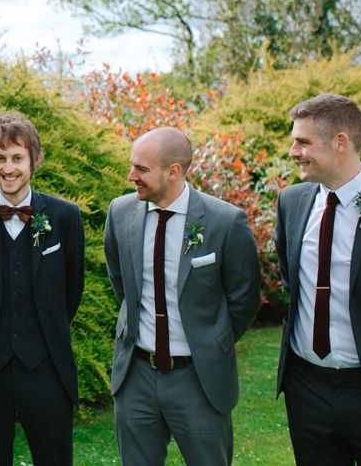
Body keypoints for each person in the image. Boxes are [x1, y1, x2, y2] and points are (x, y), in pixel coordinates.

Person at [104, 127, 261, 466]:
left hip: (199, 380)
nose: (132, 176)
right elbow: (121, 283)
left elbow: (244, 300)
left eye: (141, 169)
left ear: (173, 171)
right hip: (136, 377)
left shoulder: (225, 222)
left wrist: (211, 342)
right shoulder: (119, 213)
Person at [275, 93, 361, 465]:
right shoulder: (290, 203)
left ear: (340, 142)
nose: (293, 152)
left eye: (302, 142)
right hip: (306, 388)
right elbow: (292, 283)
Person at [0, 111, 85, 466]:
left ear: (35, 160)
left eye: (17, 158)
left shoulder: (65, 217)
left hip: (46, 368)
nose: (9, 168)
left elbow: (72, 291)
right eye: (0, 158)